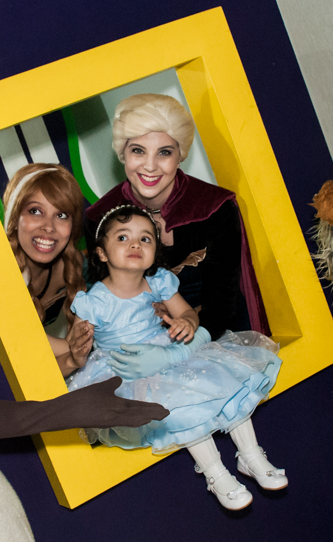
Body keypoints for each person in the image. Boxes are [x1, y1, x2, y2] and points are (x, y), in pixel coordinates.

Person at [67, 204, 286, 511]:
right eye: (123, 237)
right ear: (102, 253)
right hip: (126, 368)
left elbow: (186, 313)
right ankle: (215, 473)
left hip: (165, 349)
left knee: (222, 378)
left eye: (145, 239)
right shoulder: (94, 301)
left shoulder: (158, 282)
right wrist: (79, 349)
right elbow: (77, 344)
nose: (135, 244)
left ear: (155, 251)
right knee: (180, 405)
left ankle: (251, 455)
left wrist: (187, 322)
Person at [84, 94, 269, 339]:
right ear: (122, 155)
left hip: (219, 330)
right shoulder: (99, 219)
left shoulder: (215, 209)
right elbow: (107, 301)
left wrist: (187, 341)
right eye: (138, 151)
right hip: (142, 337)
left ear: (180, 156)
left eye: (164, 152)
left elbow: (223, 301)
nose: (150, 166)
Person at [1, 163, 94, 376]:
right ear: (14, 217)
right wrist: (74, 348)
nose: (49, 226)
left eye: (61, 215)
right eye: (35, 211)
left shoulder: (74, 264)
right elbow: (23, 340)